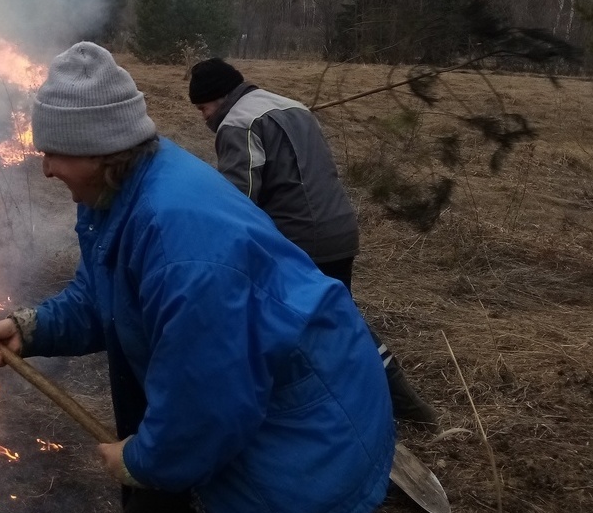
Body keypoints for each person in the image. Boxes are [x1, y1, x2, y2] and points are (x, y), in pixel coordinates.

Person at [0, 42, 394, 513]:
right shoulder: (116, 192)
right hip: (241, 417)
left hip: (302, 449)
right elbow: (100, 294)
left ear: (99, 149)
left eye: (53, 153)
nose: (45, 170)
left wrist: (140, 460)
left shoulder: (181, 242)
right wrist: (30, 328)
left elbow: (209, 399)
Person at [186, 57, 438, 429]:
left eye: (204, 108)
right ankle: (388, 400)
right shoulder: (291, 106)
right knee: (339, 318)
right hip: (338, 227)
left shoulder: (238, 122)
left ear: (220, 98)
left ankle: (365, 407)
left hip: (300, 237)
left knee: (286, 319)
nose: (204, 118)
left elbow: (241, 198)